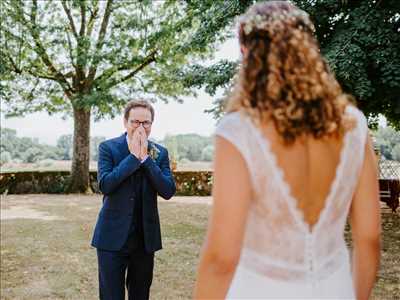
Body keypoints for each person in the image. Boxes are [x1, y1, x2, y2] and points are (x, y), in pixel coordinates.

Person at [194, 1, 381, 299]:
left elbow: (221, 258)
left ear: (246, 52)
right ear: (308, 49)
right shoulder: (354, 126)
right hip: (335, 289)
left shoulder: (238, 131)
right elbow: (369, 239)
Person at [91, 100, 176, 300]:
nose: (140, 127)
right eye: (135, 122)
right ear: (125, 122)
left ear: (152, 124)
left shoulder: (160, 153)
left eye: (145, 123)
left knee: (140, 295)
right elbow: (106, 185)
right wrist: (133, 158)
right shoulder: (108, 148)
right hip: (111, 238)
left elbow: (167, 190)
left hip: (145, 240)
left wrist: (146, 159)